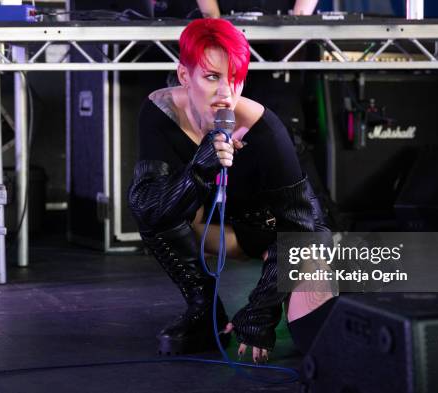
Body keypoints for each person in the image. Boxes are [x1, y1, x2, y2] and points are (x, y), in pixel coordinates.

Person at [128, 18, 335, 363]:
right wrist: (199, 168)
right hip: (224, 231)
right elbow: (149, 208)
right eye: (212, 77)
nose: (226, 93)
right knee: (154, 206)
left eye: (235, 78)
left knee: (315, 339)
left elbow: (301, 232)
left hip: (289, 237)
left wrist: (259, 313)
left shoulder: (264, 128)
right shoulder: (160, 111)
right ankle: (204, 313)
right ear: (184, 76)